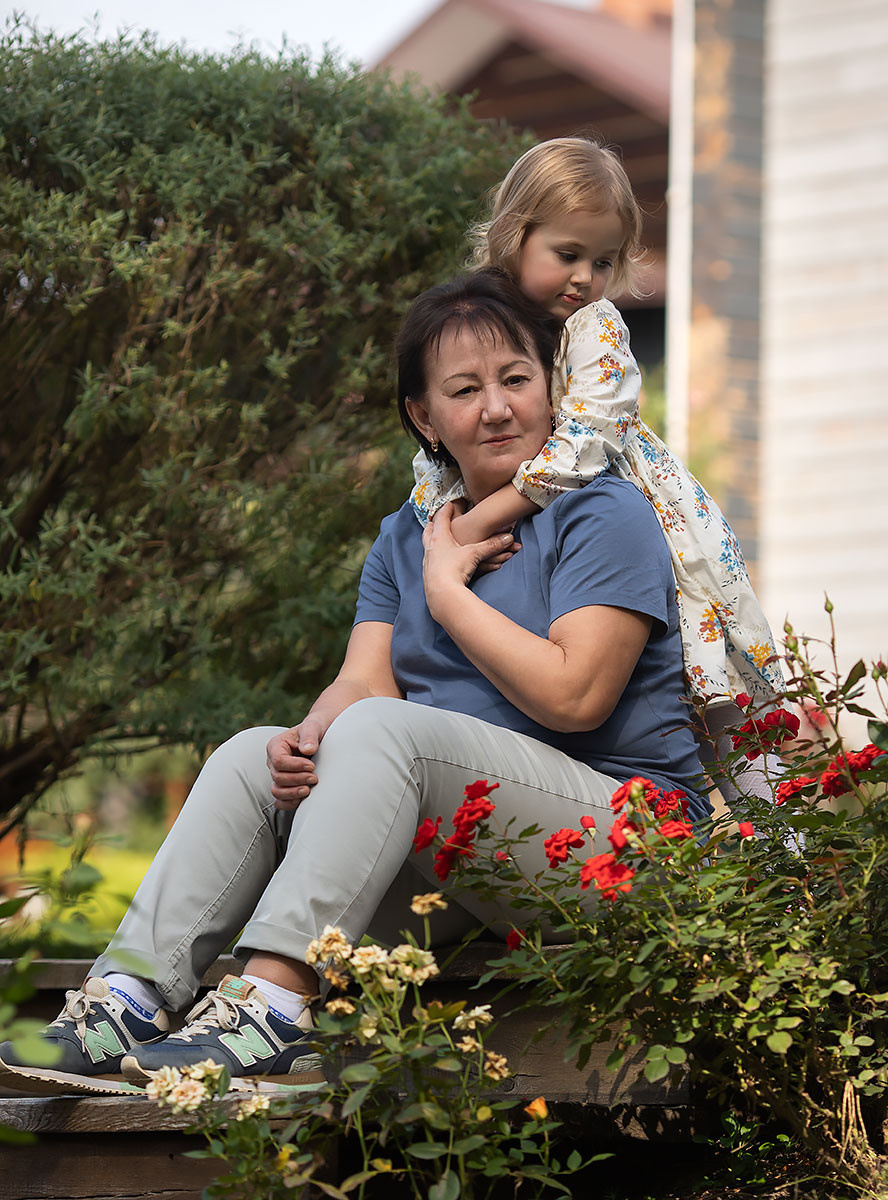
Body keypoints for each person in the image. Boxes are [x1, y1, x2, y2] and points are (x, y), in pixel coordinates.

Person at [0, 271, 709, 1097]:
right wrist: (306, 740)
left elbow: (575, 696)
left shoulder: (603, 510)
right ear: (423, 415)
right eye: (465, 390)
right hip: (472, 862)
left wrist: (448, 593)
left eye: (517, 380)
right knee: (251, 755)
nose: (497, 408)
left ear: (550, 388)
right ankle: (125, 1000)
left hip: (625, 849)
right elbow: (363, 684)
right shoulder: (406, 536)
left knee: (380, 733)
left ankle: (271, 1012)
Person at [409, 138, 785, 792]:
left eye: (603, 260)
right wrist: (435, 514)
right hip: (569, 526)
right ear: (514, 237)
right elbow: (443, 444)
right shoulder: (485, 326)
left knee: (721, 704)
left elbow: (585, 441)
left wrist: (479, 521)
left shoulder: (593, 327)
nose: (585, 277)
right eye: (567, 254)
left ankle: (788, 860)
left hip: (645, 525)